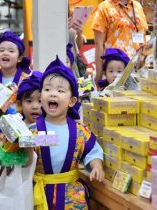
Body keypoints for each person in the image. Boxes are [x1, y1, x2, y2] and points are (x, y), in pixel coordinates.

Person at [29, 56, 104, 209]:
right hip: (40, 195)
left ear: (72, 101)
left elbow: (93, 151)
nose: (53, 94)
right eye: (47, 89)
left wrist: (97, 166)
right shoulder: (32, 131)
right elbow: (23, 159)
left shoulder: (80, 131)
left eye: (60, 90)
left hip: (72, 197)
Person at [91, 0, 148, 86]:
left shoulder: (137, 6)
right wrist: (99, 74)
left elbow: (142, 36)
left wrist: (143, 59)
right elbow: (99, 44)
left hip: (136, 69)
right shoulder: (104, 7)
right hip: (114, 70)